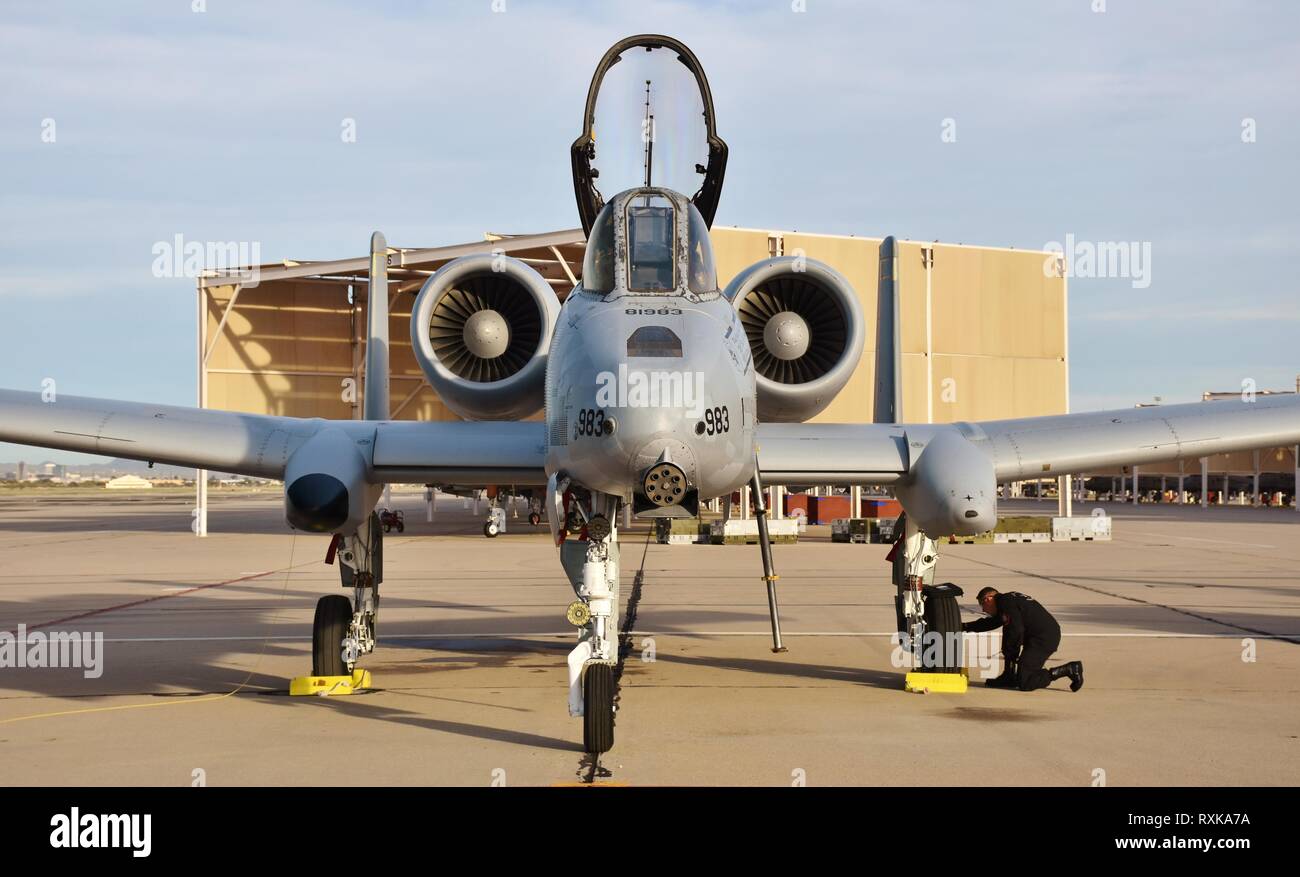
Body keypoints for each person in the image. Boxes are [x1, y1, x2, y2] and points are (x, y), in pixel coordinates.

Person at [963, 587, 1083, 691]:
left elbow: (1016, 630)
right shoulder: (1006, 601)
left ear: (988, 599)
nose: (983, 610)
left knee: (1026, 682)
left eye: (982, 605)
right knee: (1009, 637)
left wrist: (1011, 652)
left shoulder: (1005, 602)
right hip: (1039, 636)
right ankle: (1009, 676)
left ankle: (1069, 669)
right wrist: (964, 627)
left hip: (1044, 638)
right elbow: (990, 623)